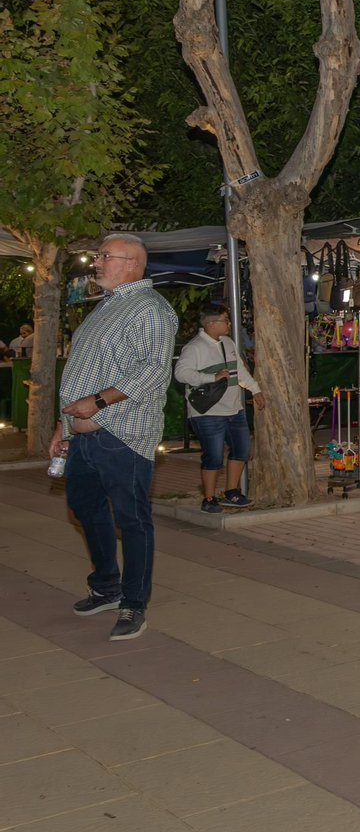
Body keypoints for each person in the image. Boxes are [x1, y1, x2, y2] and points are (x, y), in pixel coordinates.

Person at [51, 234, 178, 642]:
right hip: (84, 435)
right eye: (99, 255)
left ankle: (133, 604)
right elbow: (80, 373)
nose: (97, 263)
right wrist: (63, 425)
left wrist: (98, 403)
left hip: (123, 433)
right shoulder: (107, 306)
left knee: (132, 519)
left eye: (105, 256)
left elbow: (153, 370)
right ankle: (106, 586)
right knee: (83, 508)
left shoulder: (151, 309)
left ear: (133, 263)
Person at [174, 303, 262, 513]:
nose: (229, 324)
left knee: (241, 451)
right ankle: (209, 498)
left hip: (235, 409)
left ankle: (231, 492)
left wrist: (255, 389)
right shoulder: (194, 347)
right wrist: (210, 377)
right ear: (211, 324)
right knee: (213, 457)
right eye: (225, 321)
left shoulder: (228, 343)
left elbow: (239, 369)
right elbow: (180, 373)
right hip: (208, 413)